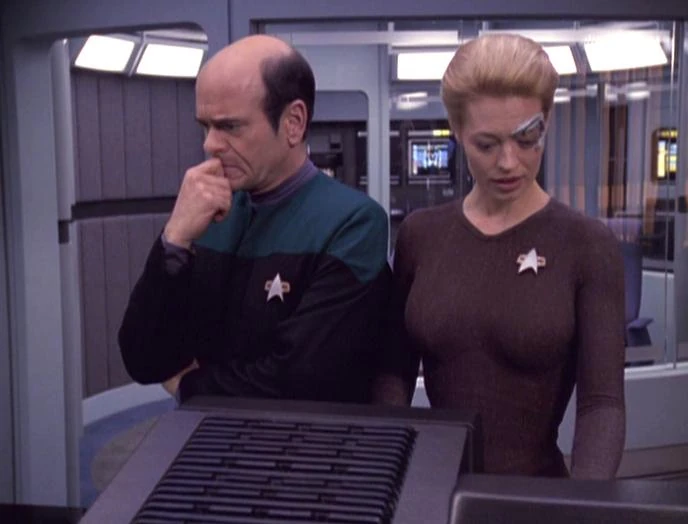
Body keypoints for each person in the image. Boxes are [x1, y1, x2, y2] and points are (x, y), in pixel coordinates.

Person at [373, 34, 626, 479]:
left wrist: (585, 505)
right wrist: (390, 470)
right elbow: (393, 373)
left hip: (536, 495)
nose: (509, 162)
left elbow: (601, 405)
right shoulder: (421, 235)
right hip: (435, 488)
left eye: (527, 138)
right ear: (457, 131)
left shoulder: (587, 245)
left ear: (546, 121)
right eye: (487, 145)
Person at [119, 35, 391, 404]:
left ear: (293, 123)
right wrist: (175, 238)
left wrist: (189, 386)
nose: (210, 144)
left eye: (230, 127)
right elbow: (143, 357)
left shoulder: (351, 223)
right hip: (205, 433)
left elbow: (300, 380)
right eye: (205, 126)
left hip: (300, 438)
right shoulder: (206, 216)